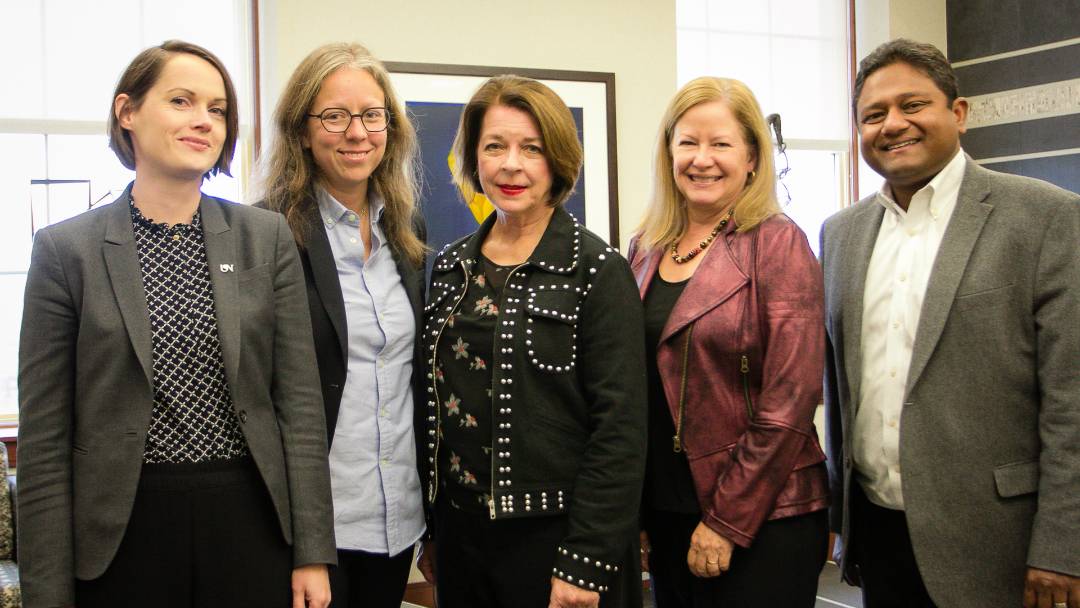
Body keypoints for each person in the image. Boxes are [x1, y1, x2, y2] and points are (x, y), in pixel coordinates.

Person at [16, 40, 335, 608]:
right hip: (121, 532)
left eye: (217, 109)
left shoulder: (265, 239)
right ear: (128, 112)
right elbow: (45, 442)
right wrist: (45, 591)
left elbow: (301, 409)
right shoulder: (67, 251)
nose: (203, 121)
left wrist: (313, 552)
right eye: (182, 101)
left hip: (249, 521)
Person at [822, 38, 1080, 608]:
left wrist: (1063, 548)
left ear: (958, 114)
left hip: (999, 542)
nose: (893, 125)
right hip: (880, 534)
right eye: (873, 114)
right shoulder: (840, 234)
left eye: (912, 106)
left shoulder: (1044, 218)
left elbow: (1072, 402)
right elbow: (840, 387)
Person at [419, 75, 646, 608]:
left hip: (558, 541)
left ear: (558, 161)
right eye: (494, 147)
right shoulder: (451, 266)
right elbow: (431, 408)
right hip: (462, 537)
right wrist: (433, 530)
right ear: (474, 160)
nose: (510, 165)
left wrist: (585, 561)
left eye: (531, 149)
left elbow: (621, 428)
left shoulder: (596, 270)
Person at [629, 76, 829, 608]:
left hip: (762, 515)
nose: (702, 159)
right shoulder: (645, 249)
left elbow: (790, 400)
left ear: (752, 160)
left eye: (720, 144)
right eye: (688, 142)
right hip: (670, 512)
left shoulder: (778, 243)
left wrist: (725, 520)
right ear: (668, 152)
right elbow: (637, 386)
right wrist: (640, 512)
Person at [257, 42, 428, 608]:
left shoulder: (406, 234)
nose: (357, 132)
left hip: (396, 518)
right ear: (303, 131)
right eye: (334, 115)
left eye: (372, 115)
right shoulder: (266, 234)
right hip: (310, 525)